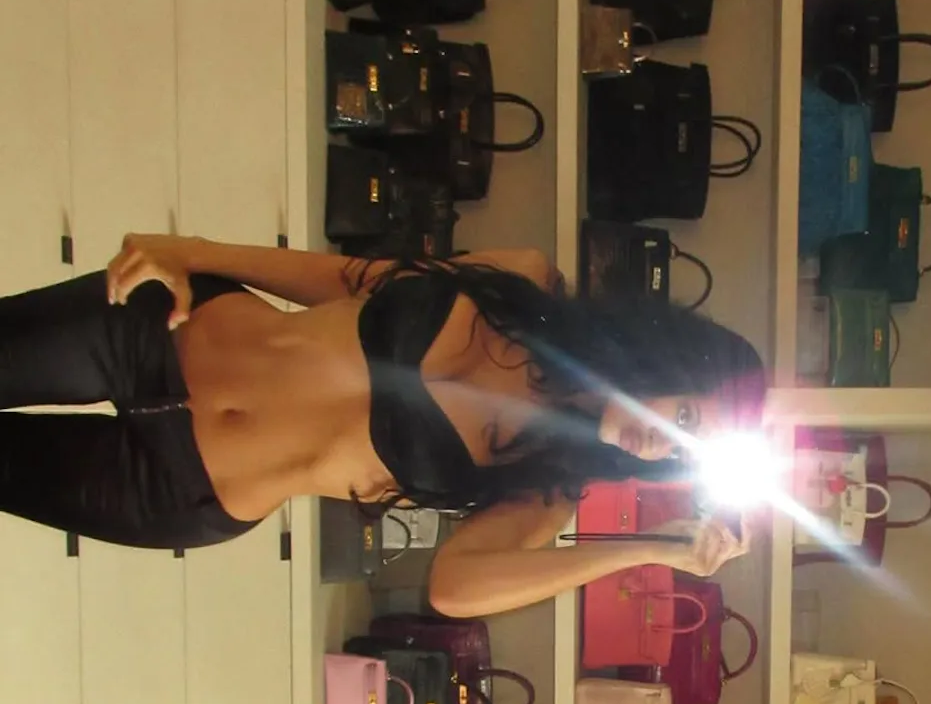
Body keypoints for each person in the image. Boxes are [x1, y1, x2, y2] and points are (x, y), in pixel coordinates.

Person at [0, 236, 765, 616]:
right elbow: (348, 278)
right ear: (664, 362)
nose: (663, 444)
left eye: (684, 452)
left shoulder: (545, 489)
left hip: (176, 487)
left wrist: (655, 549)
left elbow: (453, 590)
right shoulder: (525, 286)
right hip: (162, 332)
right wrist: (189, 250)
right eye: (685, 415)